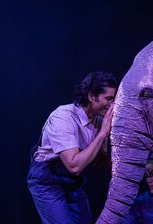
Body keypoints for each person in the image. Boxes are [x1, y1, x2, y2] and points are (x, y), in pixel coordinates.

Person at [27, 71, 118, 224]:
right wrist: (102, 134)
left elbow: (99, 161)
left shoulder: (100, 121)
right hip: (47, 179)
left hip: (72, 181)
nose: (112, 104)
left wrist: (131, 166)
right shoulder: (63, 116)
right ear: (91, 96)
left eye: (114, 99)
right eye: (108, 98)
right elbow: (74, 166)